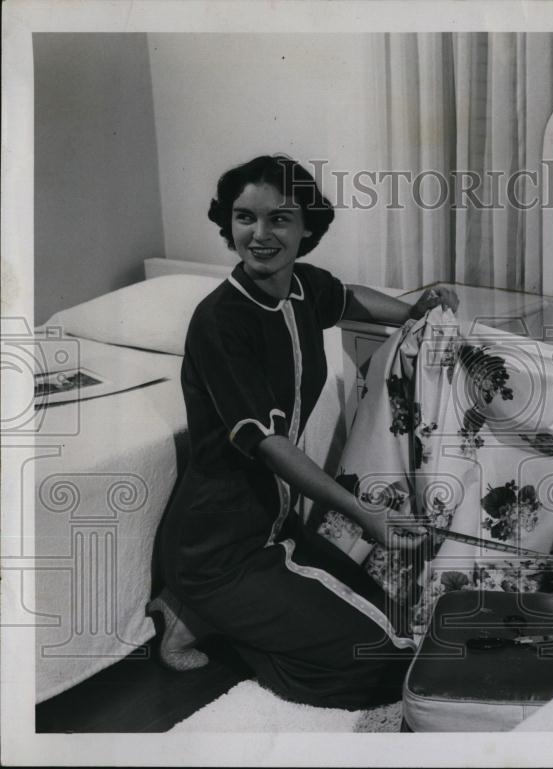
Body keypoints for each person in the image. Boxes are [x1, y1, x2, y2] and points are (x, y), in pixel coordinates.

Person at [149, 155, 458, 709]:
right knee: (379, 669)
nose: (260, 235)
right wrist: (363, 513)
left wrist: (413, 310)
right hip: (216, 549)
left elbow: (347, 297)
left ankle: (224, 615)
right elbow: (269, 445)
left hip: (276, 526)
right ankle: (198, 614)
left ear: (306, 226)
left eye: (280, 219)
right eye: (245, 218)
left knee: (398, 631)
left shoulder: (300, 288)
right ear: (228, 223)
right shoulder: (220, 320)